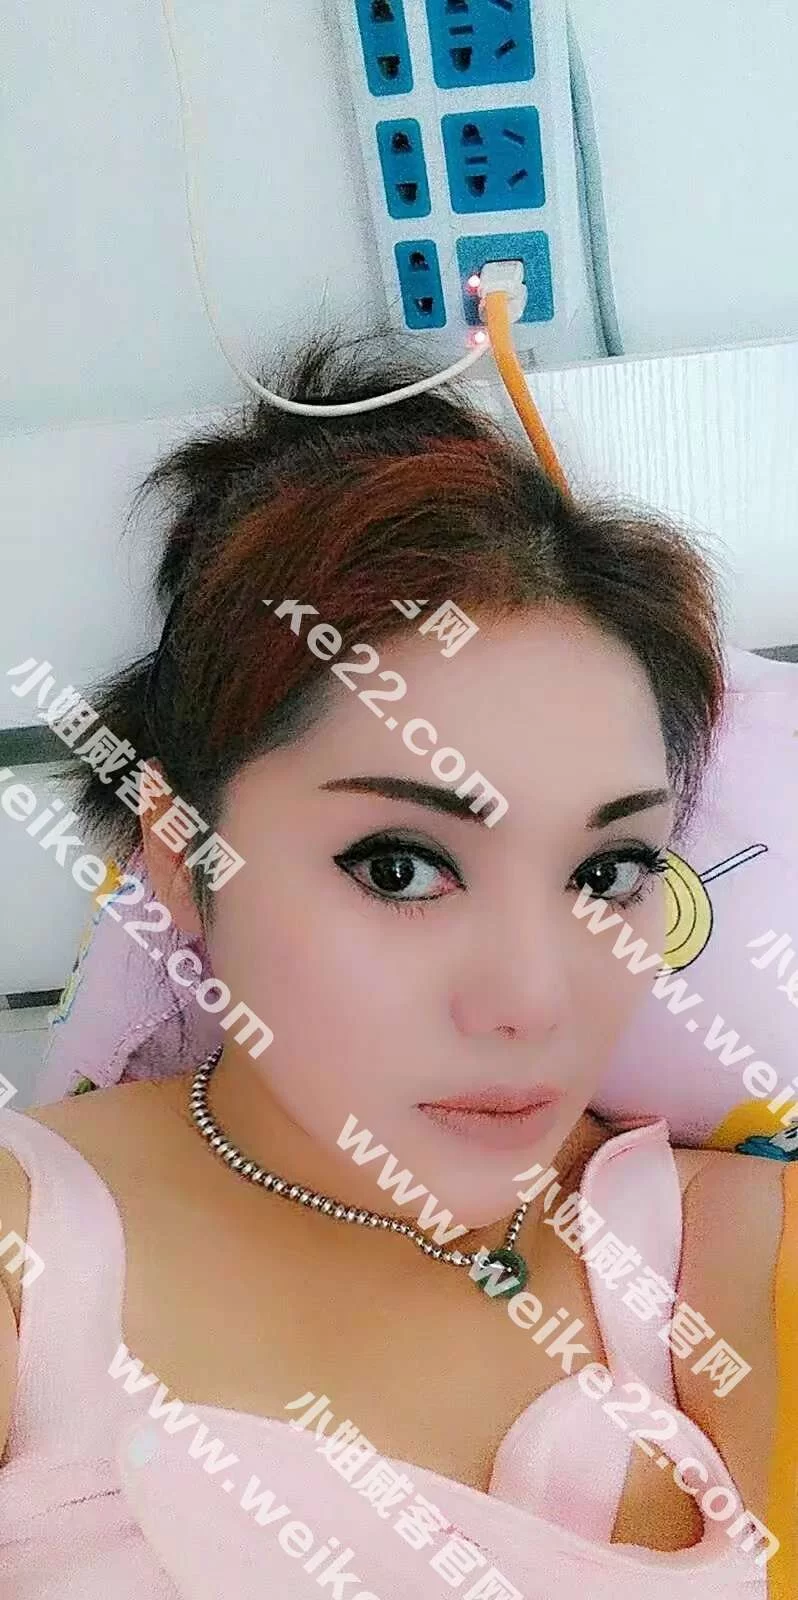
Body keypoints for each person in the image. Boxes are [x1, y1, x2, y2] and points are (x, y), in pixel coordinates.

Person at [0, 337, 788, 1598]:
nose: (533, 1001)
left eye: (607, 873)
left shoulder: (727, 1252)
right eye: (401, 867)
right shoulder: (30, 1258)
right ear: (179, 855)